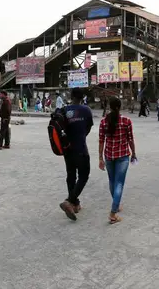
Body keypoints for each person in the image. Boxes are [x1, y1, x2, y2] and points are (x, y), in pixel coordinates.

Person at [98, 96, 135, 224]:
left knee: (112, 181)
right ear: (119, 107)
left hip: (109, 156)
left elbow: (101, 140)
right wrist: (134, 153)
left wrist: (100, 158)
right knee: (119, 183)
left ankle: (116, 203)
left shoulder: (103, 122)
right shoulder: (126, 121)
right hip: (123, 156)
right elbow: (130, 139)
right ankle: (113, 213)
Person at [59, 88, 94, 221]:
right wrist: (81, 135)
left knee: (71, 175)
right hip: (80, 148)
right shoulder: (86, 110)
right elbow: (88, 127)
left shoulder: (64, 110)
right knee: (84, 175)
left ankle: (75, 204)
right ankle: (69, 201)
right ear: (82, 97)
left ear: (71, 96)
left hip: (67, 149)